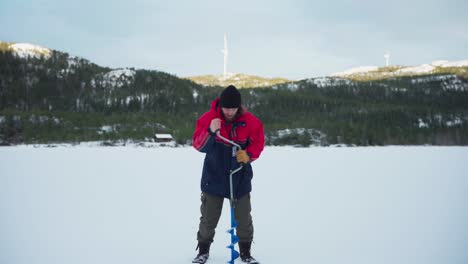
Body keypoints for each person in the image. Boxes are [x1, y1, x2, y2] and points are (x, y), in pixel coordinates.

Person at [192, 85, 265, 264]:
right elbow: (198, 145)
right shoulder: (208, 119)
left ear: (239, 106)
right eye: (226, 108)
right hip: (214, 176)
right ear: (221, 106)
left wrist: (248, 155)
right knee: (208, 218)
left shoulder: (251, 122)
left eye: (233, 108)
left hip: (239, 177)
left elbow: (259, 143)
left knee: (243, 218)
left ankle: (245, 253)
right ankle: (203, 251)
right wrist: (210, 131)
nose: (230, 112)